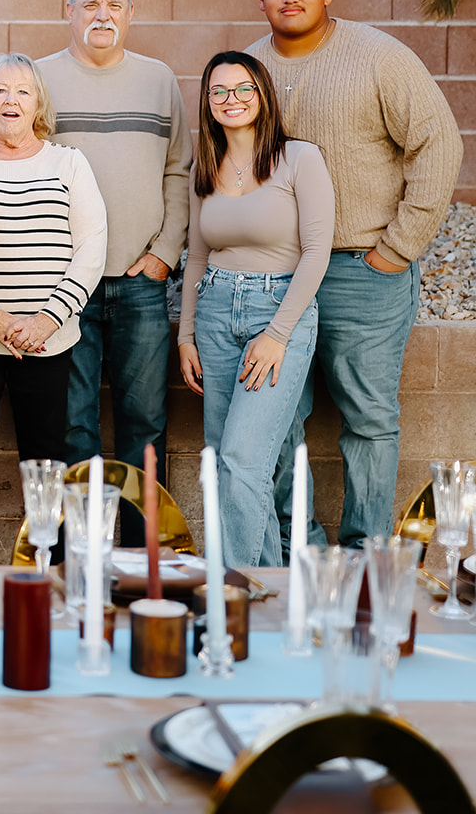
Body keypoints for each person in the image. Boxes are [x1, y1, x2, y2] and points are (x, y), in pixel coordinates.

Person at [246, 0, 461, 546]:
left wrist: (400, 246)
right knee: (278, 417)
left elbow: (438, 143)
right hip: (274, 275)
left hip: (360, 271)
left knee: (368, 418)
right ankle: (299, 549)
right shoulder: (249, 69)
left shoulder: (378, 57)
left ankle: (365, 553)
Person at [0, 54, 107, 565]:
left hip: (48, 339)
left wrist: (46, 319)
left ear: (39, 103)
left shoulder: (68, 163)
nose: (11, 100)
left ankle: (51, 566)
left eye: (23, 91)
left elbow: (92, 246)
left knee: (47, 460)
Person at [178, 52, 333, 568]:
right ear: (207, 103)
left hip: (277, 308)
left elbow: (317, 251)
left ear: (263, 94)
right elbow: (197, 255)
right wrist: (186, 335)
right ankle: (265, 588)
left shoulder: (300, 159)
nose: (231, 100)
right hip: (216, 311)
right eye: (218, 91)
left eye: (242, 89)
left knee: (245, 458)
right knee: (228, 461)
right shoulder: (207, 162)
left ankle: (232, 591)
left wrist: (278, 334)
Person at [37, 0, 190, 485]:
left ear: (131, 13)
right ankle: (85, 555)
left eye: (114, 6)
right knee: (73, 427)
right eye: (90, 5)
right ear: (69, 11)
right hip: (62, 284)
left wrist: (165, 254)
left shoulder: (158, 80)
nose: (103, 16)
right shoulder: (38, 79)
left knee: (144, 426)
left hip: (139, 285)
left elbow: (179, 170)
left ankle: (143, 557)